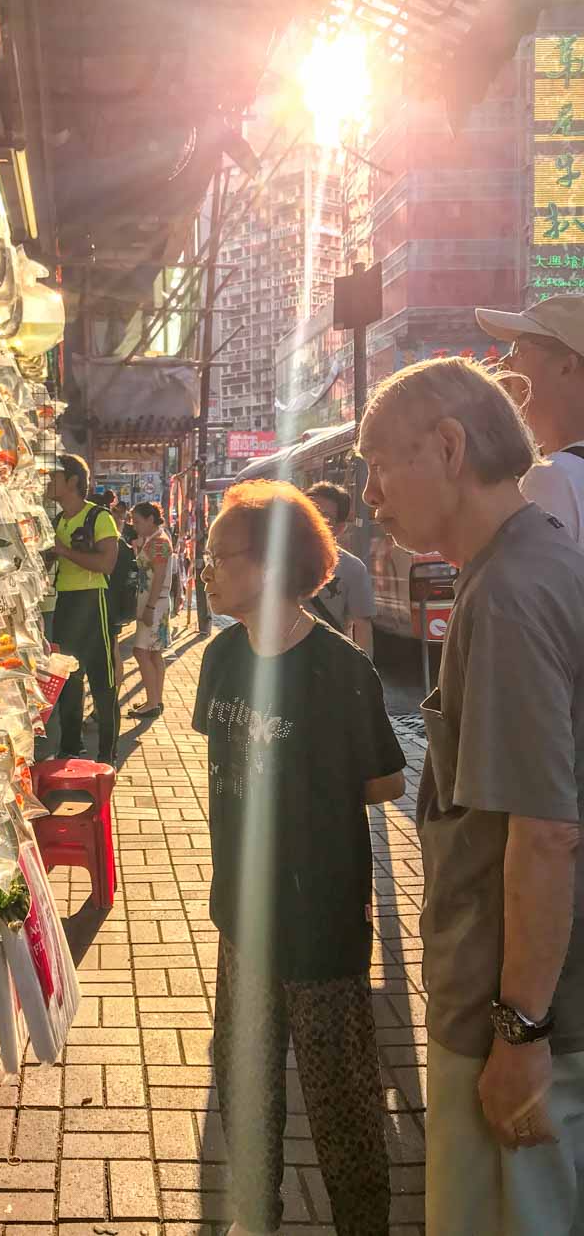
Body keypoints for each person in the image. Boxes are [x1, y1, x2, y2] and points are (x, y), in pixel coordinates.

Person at [358, 356, 584, 1236]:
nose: (371, 494)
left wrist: (520, 1032)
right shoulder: (523, 565)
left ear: (449, 447)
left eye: (382, 462)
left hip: (513, 1014)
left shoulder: (511, 595)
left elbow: (546, 830)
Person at [194, 480, 406, 1236]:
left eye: (220, 555)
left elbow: (384, 779)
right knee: (246, 1099)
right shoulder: (219, 657)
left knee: (344, 1110)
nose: (206, 569)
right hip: (239, 922)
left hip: (322, 929)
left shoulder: (341, 670)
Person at [476, 294, 584, 540]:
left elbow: (529, 578)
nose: (505, 362)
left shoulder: (554, 478)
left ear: (565, 367)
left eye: (520, 350)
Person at [45, 454, 120, 765]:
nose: (48, 483)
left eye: (54, 477)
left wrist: (63, 551)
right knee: (66, 679)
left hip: (94, 602)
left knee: (103, 682)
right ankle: (70, 747)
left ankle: (107, 754)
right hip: (65, 602)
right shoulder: (58, 520)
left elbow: (106, 564)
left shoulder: (99, 517)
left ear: (73, 481)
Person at [305, 481, 376, 658]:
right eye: (309, 512)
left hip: (329, 663)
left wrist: (363, 677)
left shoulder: (352, 568)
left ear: (340, 528)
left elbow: (363, 627)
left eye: (324, 517)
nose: (314, 521)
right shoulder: (275, 560)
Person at [129, 501, 173, 718]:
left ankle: (153, 702)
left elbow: (159, 576)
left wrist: (150, 606)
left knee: (141, 652)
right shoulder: (155, 540)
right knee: (154, 653)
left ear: (150, 519)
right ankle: (155, 700)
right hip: (156, 603)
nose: (134, 525)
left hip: (154, 604)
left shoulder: (159, 542)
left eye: (137, 521)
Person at [105, 501, 140, 700]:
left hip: (109, 605)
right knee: (113, 651)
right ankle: (112, 698)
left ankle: (110, 700)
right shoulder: (124, 547)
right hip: (116, 606)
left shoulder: (115, 547)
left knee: (111, 653)